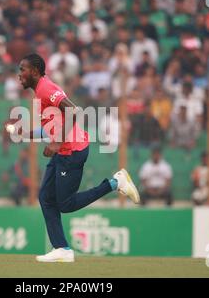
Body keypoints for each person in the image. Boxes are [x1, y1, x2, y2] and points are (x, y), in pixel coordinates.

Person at [13, 53, 139, 263]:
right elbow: (52, 126)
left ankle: (115, 183)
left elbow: (74, 111)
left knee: (66, 204)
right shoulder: (41, 91)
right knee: (45, 198)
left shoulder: (46, 89)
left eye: (22, 70)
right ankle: (61, 249)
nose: (19, 75)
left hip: (72, 151)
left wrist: (56, 143)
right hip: (64, 150)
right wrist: (26, 133)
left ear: (35, 71)